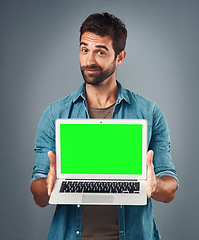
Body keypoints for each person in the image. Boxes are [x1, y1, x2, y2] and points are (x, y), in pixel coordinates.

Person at [30, 12, 178, 240]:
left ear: (120, 57)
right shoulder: (54, 114)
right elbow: (39, 196)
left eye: (100, 51)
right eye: (84, 50)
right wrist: (49, 185)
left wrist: (155, 184)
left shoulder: (149, 112)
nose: (89, 60)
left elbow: (170, 190)